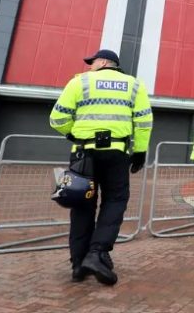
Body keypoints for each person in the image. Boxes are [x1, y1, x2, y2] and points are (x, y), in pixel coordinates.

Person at [49, 49, 152, 285]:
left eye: (92, 62)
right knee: (115, 200)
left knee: (82, 205)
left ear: (104, 62)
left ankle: (78, 265)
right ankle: (96, 253)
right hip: (116, 153)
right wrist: (140, 151)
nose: (90, 66)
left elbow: (57, 119)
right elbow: (144, 122)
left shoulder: (79, 82)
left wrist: (73, 133)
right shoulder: (134, 85)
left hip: (83, 153)